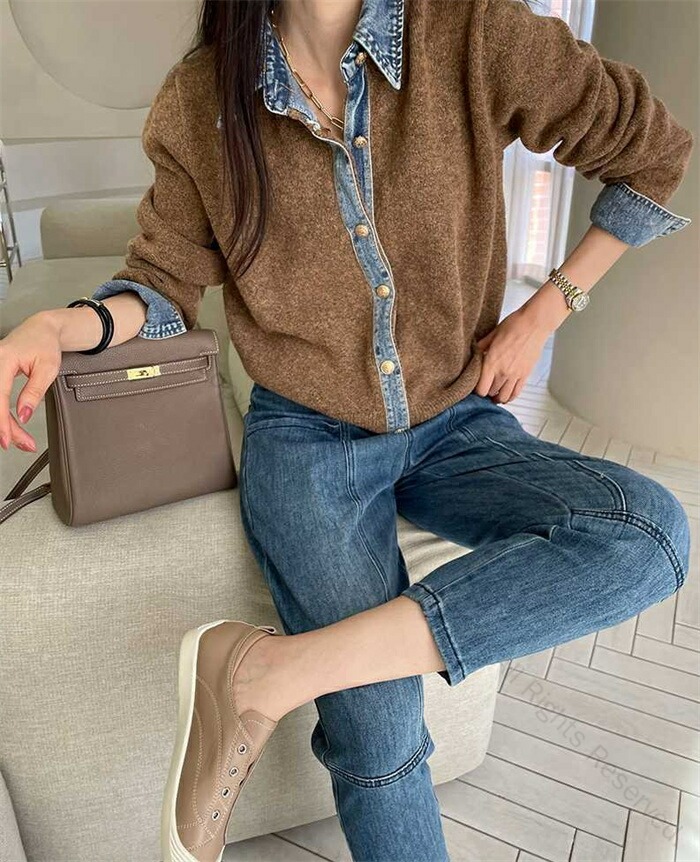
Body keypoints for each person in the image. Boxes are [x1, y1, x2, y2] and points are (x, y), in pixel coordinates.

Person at [0, 1, 694, 860]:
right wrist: (56, 327)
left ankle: (268, 672)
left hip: (455, 421)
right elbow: (161, 284)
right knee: (376, 728)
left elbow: (652, 153)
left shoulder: (474, 33)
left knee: (647, 535)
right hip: (306, 445)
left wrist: (545, 311)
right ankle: (280, 678)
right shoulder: (201, 100)